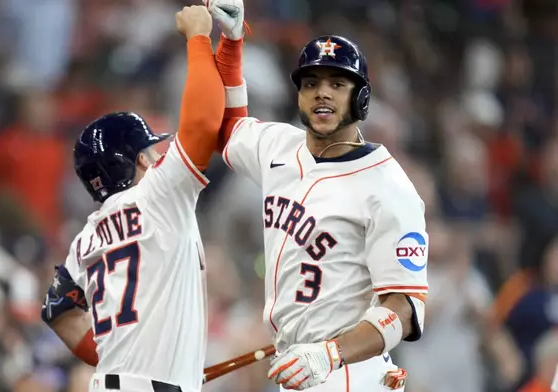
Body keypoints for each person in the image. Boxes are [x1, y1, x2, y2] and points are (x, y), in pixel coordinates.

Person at [207, 1, 428, 390]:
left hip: (350, 370)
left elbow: (405, 309)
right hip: (294, 363)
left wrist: (330, 354)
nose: (322, 94)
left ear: (361, 98)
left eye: (337, 84)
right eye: (311, 83)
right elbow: (227, 127)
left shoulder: (389, 187)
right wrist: (231, 43)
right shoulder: (278, 146)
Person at [40, 6, 225, 392]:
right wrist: (199, 39)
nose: (159, 155)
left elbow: (57, 310)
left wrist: (118, 357)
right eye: (151, 150)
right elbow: (206, 121)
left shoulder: (85, 239)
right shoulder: (159, 193)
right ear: (140, 158)